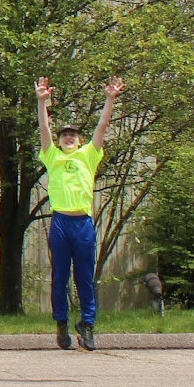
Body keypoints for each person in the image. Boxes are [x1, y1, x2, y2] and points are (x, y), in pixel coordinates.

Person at [36, 75, 123, 352]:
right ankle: (60, 322)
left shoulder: (88, 155)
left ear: (80, 141)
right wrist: (42, 102)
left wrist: (110, 99)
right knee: (60, 275)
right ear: (59, 142)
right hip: (60, 221)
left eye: (72, 135)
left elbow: (103, 125)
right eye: (64, 135)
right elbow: (43, 128)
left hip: (82, 223)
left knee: (84, 276)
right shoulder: (53, 157)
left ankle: (87, 324)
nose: (68, 137)